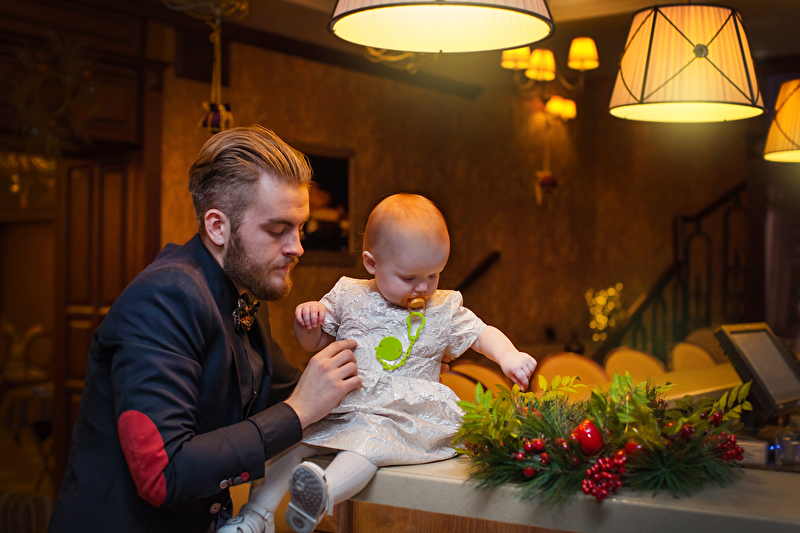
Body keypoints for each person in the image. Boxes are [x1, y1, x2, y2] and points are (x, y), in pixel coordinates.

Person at [48, 125, 362, 533]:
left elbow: (291, 392)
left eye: (300, 228)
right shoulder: (163, 297)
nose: (297, 247)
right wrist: (299, 411)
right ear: (217, 226)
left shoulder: (243, 293)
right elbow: (164, 474)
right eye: (277, 229)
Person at [223, 194, 537, 533]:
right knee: (293, 441)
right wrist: (308, 323)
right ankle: (255, 516)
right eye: (408, 277)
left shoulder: (443, 306)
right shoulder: (349, 295)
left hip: (401, 416)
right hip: (345, 403)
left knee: (370, 445)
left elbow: (481, 333)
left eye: (434, 275)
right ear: (372, 263)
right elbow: (316, 344)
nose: (423, 288)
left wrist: (508, 355)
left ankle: (323, 493)